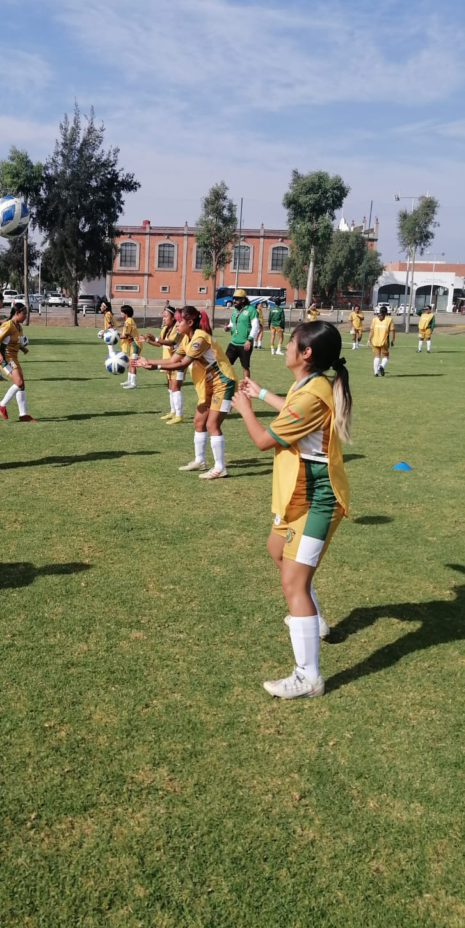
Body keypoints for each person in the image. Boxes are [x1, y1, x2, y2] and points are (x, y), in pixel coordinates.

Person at [231, 321, 351, 699]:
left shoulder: (312, 394)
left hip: (318, 500)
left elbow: (263, 440)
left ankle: (308, 676)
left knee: (293, 584)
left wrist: (244, 408)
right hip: (297, 496)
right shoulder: (309, 384)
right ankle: (312, 617)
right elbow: (292, 411)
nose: (285, 346)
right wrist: (262, 392)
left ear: (306, 353)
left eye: (291, 343)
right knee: (276, 550)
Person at [137, 305, 236, 479]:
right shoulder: (186, 339)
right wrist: (148, 361)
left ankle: (220, 467)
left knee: (212, 424)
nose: (176, 325)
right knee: (198, 422)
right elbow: (173, 359)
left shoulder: (200, 338)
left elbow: (183, 364)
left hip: (224, 383)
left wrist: (155, 367)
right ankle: (200, 461)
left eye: (179, 321)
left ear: (190, 322)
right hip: (209, 383)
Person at [0, 303, 35, 421]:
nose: (26, 316)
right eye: (24, 314)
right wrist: (0, 356)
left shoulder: (19, 327)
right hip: (6, 359)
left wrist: (22, 348)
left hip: (14, 358)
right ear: (17, 313)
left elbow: (14, 341)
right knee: (19, 382)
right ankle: (2, 405)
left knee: (21, 385)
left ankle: (23, 414)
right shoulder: (7, 325)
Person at [143, 305, 184, 423]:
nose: (163, 319)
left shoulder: (177, 328)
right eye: (163, 316)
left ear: (173, 317)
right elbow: (160, 344)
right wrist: (148, 340)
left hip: (178, 361)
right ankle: (172, 412)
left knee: (175, 388)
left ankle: (179, 415)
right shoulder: (166, 329)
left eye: (166, 316)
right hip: (168, 360)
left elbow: (171, 342)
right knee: (170, 387)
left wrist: (156, 339)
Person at [224, 289, 260, 380]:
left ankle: (246, 387)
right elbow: (232, 324)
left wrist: (249, 340)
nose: (234, 301)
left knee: (245, 367)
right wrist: (228, 328)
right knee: (224, 363)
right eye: (234, 298)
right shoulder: (234, 311)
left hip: (245, 344)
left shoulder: (251, 310)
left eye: (237, 299)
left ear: (243, 299)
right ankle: (227, 384)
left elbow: (255, 326)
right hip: (233, 343)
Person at [118, 304, 141, 390]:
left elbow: (126, 336)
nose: (121, 313)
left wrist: (116, 337)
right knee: (130, 362)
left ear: (125, 313)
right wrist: (116, 332)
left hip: (135, 344)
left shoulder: (128, 321)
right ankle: (129, 381)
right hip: (132, 344)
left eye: (122, 312)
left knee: (132, 363)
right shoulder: (128, 321)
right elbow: (125, 333)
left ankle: (133, 383)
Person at [368, 305, 395, 376]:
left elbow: (371, 330)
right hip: (384, 342)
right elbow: (392, 331)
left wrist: (368, 340)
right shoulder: (389, 320)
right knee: (386, 356)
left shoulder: (374, 319)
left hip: (375, 341)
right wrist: (393, 340)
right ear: (386, 312)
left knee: (377, 356)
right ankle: (381, 366)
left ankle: (375, 373)